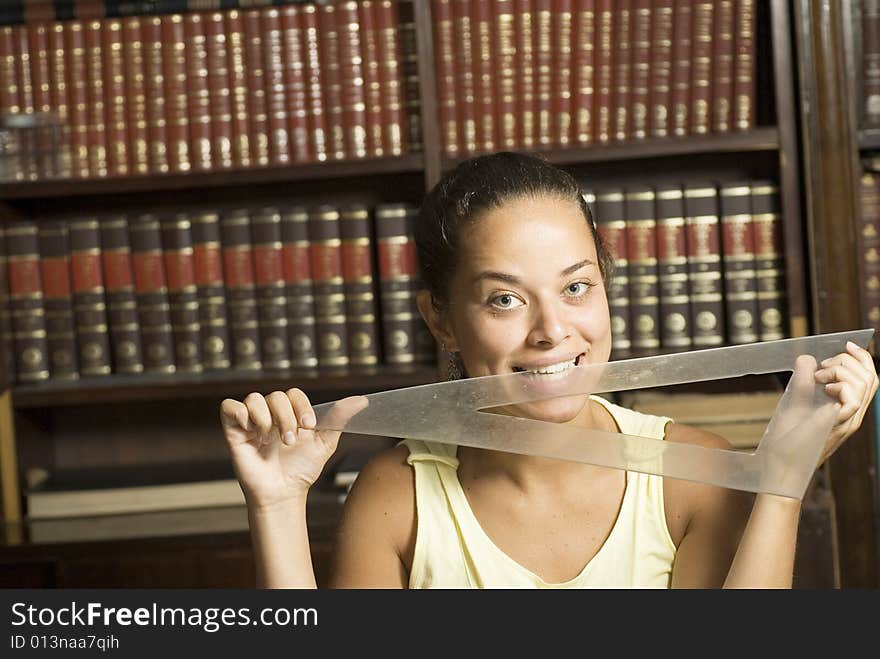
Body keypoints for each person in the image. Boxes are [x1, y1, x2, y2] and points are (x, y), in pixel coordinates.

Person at [220, 151, 879, 588]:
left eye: (575, 288)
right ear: (442, 318)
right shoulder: (398, 498)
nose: (552, 331)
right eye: (504, 298)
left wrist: (783, 477)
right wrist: (276, 506)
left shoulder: (691, 477)